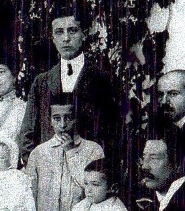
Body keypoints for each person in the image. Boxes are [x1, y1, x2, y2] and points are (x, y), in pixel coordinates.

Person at [18, 9, 120, 164]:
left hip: (90, 173)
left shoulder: (104, 79)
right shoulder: (41, 83)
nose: (66, 38)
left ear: (84, 34)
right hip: (49, 171)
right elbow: (28, 134)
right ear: (52, 38)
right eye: (59, 32)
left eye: (72, 31)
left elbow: (115, 131)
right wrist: (39, 167)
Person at [26, 94, 105, 211]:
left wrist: (70, 152)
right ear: (50, 121)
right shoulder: (38, 154)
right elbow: (29, 199)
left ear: (76, 118)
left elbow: (90, 189)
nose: (62, 125)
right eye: (56, 118)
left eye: (68, 118)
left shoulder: (93, 150)